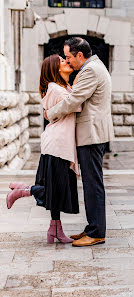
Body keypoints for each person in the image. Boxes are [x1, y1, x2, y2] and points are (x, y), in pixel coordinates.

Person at [46, 37, 114, 247]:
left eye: (69, 57)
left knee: (93, 184)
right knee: (91, 183)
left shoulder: (90, 70)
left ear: (80, 55)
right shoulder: (93, 67)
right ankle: (92, 227)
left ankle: (96, 233)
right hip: (92, 133)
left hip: (91, 135)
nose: (68, 61)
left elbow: (75, 99)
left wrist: (51, 113)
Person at [6, 54, 80, 244]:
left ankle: (55, 229)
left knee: (57, 189)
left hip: (58, 143)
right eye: (63, 61)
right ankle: (23, 191)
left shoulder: (63, 87)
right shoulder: (56, 89)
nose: (67, 61)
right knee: (56, 190)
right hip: (58, 145)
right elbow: (76, 105)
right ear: (55, 69)